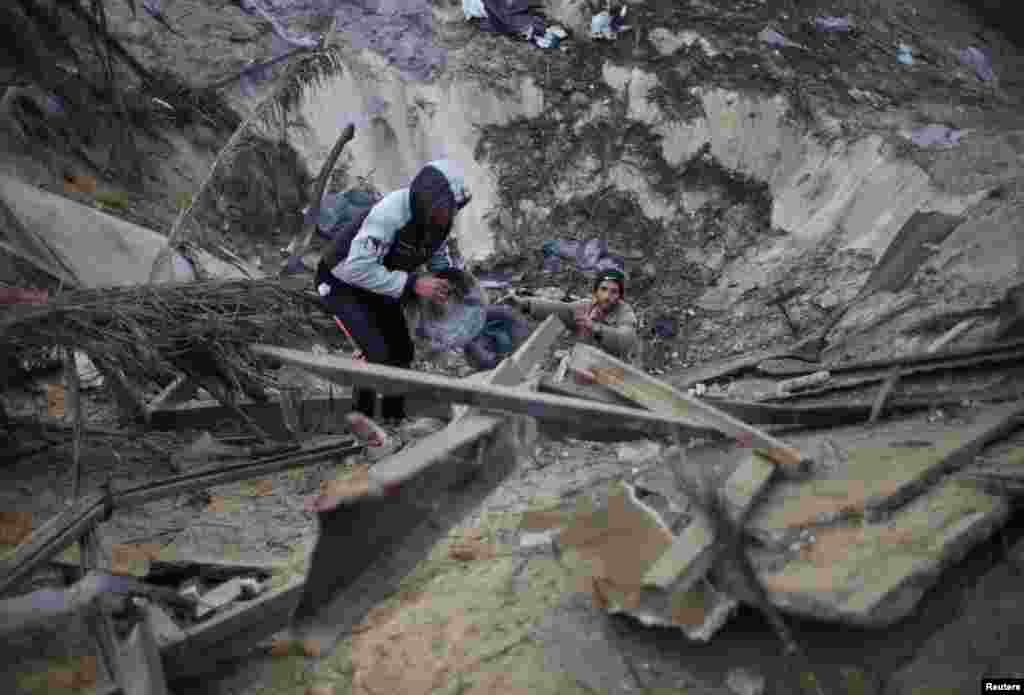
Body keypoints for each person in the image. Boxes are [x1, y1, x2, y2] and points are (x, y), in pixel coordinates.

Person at [315, 159, 471, 430]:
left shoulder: (439, 221)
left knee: (402, 352)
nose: (449, 216)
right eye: (445, 209)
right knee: (377, 353)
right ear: (427, 199)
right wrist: (413, 284)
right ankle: (362, 422)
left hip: (381, 281)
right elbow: (355, 268)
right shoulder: (390, 213)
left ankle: (394, 422)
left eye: (454, 210)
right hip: (341, 279)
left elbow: (437, 257)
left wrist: (452, 283)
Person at [504, 268, 639, 363]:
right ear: (596, 291)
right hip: (583, 367)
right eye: (603, 289)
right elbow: (559, 309)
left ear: (620, 296)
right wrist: (524, 304)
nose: (607, 296)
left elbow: (626, 340)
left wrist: (595, 328)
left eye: (613, 292)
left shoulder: (625, 312)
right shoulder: (586, 306)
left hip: (613, 374)